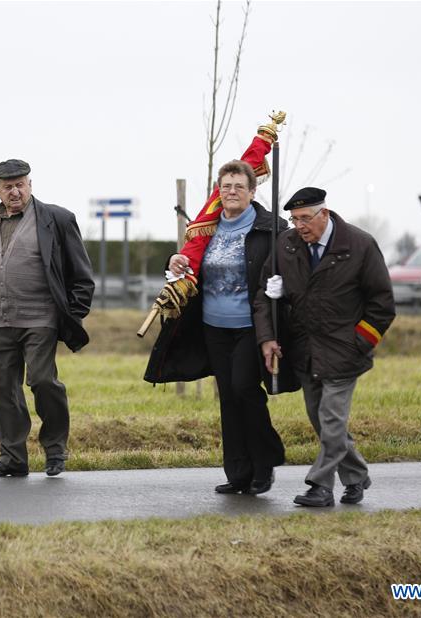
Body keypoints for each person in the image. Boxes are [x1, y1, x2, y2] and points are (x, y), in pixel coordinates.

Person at [146, 158, 296, 496]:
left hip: (251, 326)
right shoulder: (207, 227)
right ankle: (238, 472)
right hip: (213, 326)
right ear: (219, 190)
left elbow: (288, 269)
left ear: (252, 191)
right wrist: (174, 263)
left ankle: (265, 459)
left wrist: (281, 290)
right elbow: (191, 264)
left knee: (244, 387)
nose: (231, 192)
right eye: (225, 186)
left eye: (239, 187)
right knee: (228, 397)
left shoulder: (270, 228)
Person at [255, 187, 396, 506]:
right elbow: (262, 297)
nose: (299, 226)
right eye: (294, 219)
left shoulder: (359, 245)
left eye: (305, 219)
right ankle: (357, 475)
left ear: (325, 215)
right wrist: (268, 333)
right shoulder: (285, 245)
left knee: (331, 421)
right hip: (305, 352)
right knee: (322, 422)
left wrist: (359, 342)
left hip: (344, 352)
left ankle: (320, 486)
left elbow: (382, 303)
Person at [0, 159, 94, 477]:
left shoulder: (57, 219)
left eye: (21, 184)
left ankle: (55, 450)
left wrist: (72, 315)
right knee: (3, 389)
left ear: (31, 185)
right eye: (8, 187)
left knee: (42, 380)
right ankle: (13, 458)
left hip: (40, 317)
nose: (15, 191)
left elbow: (82, 274)